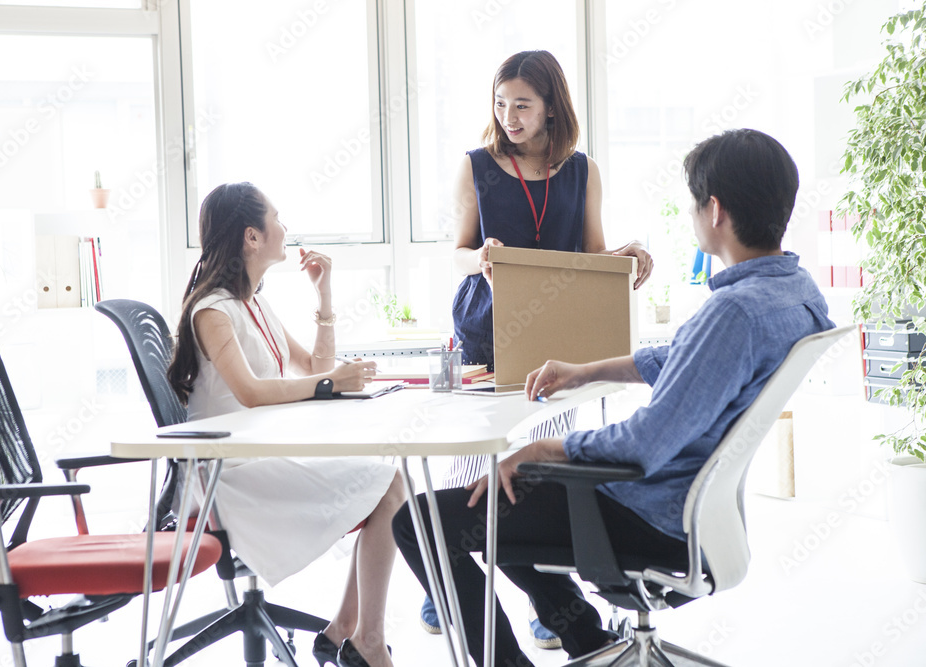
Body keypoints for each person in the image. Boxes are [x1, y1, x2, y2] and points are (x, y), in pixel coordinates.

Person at [394, 128, 835, 667]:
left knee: (419, 520)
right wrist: (585, 372)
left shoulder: (733, 314)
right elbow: (681, 356)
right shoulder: (794, 293)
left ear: (714, 210)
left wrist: (539, 451)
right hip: (699, 511)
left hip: (648, 512)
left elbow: (643, 444)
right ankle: (590, 641)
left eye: (693, 204)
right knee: (503, 500)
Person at [426, 49, 655, 647]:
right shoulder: (476, 166)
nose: (509, 117)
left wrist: (626, 258)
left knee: (536, 469)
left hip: (559, 335)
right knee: (478, 462)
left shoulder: (583, 172)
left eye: (522, 105)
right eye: (501, 105)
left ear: (552, 107)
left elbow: (588, 256)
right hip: (488, 327)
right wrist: (477, 258)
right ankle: (449, 584)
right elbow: (456, 251)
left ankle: (544, 595)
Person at [167, 182, 403, 667]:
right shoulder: (214, 310)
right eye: (277, 217)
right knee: (389, 486)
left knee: (391, 482)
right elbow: (253, 392)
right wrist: (328, 384)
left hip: (258, 456)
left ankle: (346, 633)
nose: (286, 227)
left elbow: (315, 364)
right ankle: (360, 641)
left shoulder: (254, 304)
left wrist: (325, 297)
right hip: (225, 475)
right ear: (252, 237)